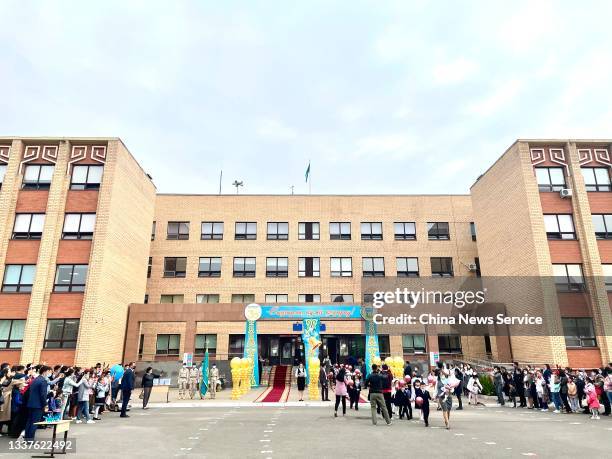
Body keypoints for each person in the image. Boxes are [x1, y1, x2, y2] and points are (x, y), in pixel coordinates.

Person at [24, 365, 50, 440]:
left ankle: (27, 438)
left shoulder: (35, 379)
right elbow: (43, 394)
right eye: (48, 371)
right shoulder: (43, 381)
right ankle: (30, 439)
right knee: (34, 422)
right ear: (45, 372)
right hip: (38, 405)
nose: (49, 373)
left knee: (29, 421)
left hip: (31, 403)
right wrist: (45, 404)